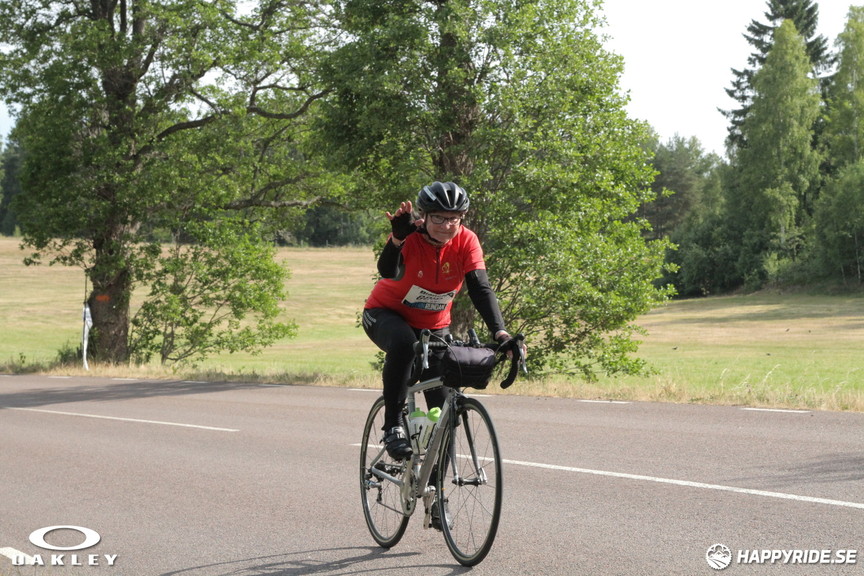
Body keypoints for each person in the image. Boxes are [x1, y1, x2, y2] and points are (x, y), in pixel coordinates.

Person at [362, 181, 515, 461]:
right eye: (439, 219)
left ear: (462, 219)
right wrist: (396, 240)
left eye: (453, 219)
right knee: (405, 346)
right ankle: (393, 425)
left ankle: (435, 496)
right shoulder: (408, 235)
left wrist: (501, 332)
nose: (446, 226)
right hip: (385, 313)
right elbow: (386, 270)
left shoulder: (466, 240)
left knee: (445, 412)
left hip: (434, 325)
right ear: (425, 216)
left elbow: (480, 288)